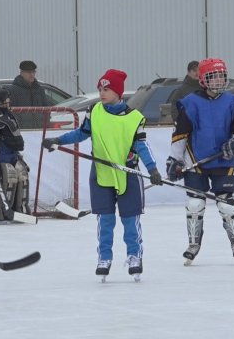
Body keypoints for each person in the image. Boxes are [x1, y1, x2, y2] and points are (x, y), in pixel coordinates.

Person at [42, 69, 162, 282]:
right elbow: (81, 133)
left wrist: (152, 169)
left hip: (128, 175)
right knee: (105, 221)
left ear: (117, 91)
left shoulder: (135, 118)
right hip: (101, 175)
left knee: (129, 220)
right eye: (100, 89)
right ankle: (104, 258)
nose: (102, 93)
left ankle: (135, 256)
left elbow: (141, 145)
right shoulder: (94, 111)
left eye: (106, 89)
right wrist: (58, 140)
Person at [166, 58, 234, 265]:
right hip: (195, 162)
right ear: (203, 80)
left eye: (222, 76)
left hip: (223, 161)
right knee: (195, 204)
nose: (219, 81)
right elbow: (180, 134)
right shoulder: (190, 102)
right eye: (214, 77)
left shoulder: (231, 101)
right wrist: (175, 160)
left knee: (227, 206)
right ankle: (193, 244)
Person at [0, 85, 31, 224]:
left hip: (12, 154)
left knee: (21, 177)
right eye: (6, 99)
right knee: (6, 179)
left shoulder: (7, 114)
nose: (9, 101)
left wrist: (18, 155)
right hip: (2, 156)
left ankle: (17, 210)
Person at [8, 60, 50, 129]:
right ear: (21, 73)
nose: (32, 74)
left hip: (40, 129)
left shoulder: (39, 89)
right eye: (29, 72)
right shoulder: (12, 90)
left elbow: (46, 108)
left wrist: (45, 122)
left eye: (33, 72)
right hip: (21, 130)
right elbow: (10, 111)